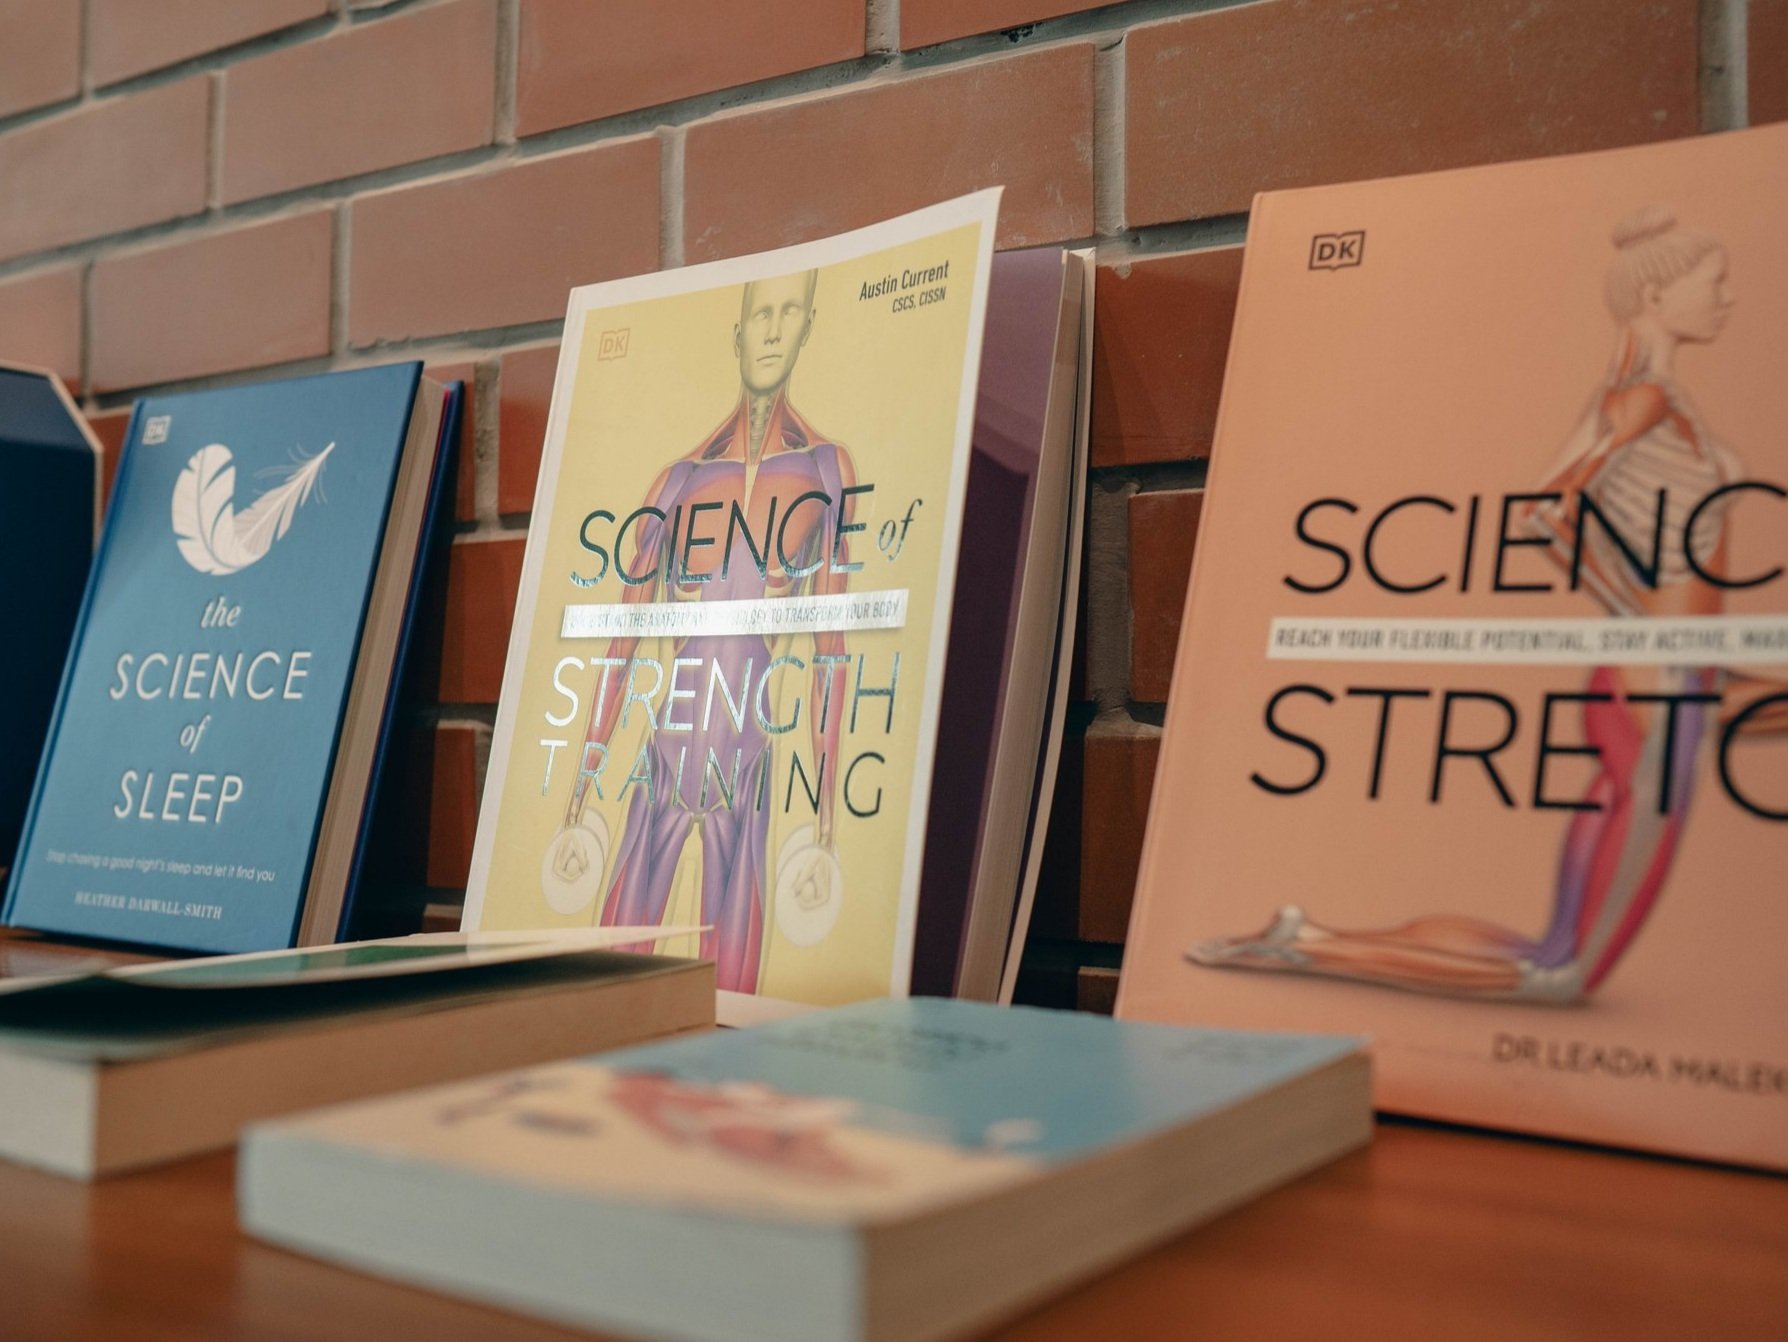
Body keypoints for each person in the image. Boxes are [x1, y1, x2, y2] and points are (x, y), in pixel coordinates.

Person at [1191, 207, 1783, 1002]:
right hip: (1658, 675)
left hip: (1662, 669)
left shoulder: (1644, 393)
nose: (1729, 300)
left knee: (1551, 946)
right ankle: (1302, 949)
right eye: (1714, 284)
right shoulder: (1642, 398)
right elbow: (1545, 510)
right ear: (1656, 295)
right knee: (1560, 975)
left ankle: (1308, 935)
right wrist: (1639, 612)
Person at [551, 270, 856, 994]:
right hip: (660, 760)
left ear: (808, 327)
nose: (775, 330)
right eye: (762, 316)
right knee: (607, 988)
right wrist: (584, 777)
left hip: (748, 768)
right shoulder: (678, 481)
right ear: (739, 332)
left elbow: (831, 650)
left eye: (790, 314)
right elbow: (622, 640)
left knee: (733, 1005)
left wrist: (825, 815)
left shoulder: (825, 470)